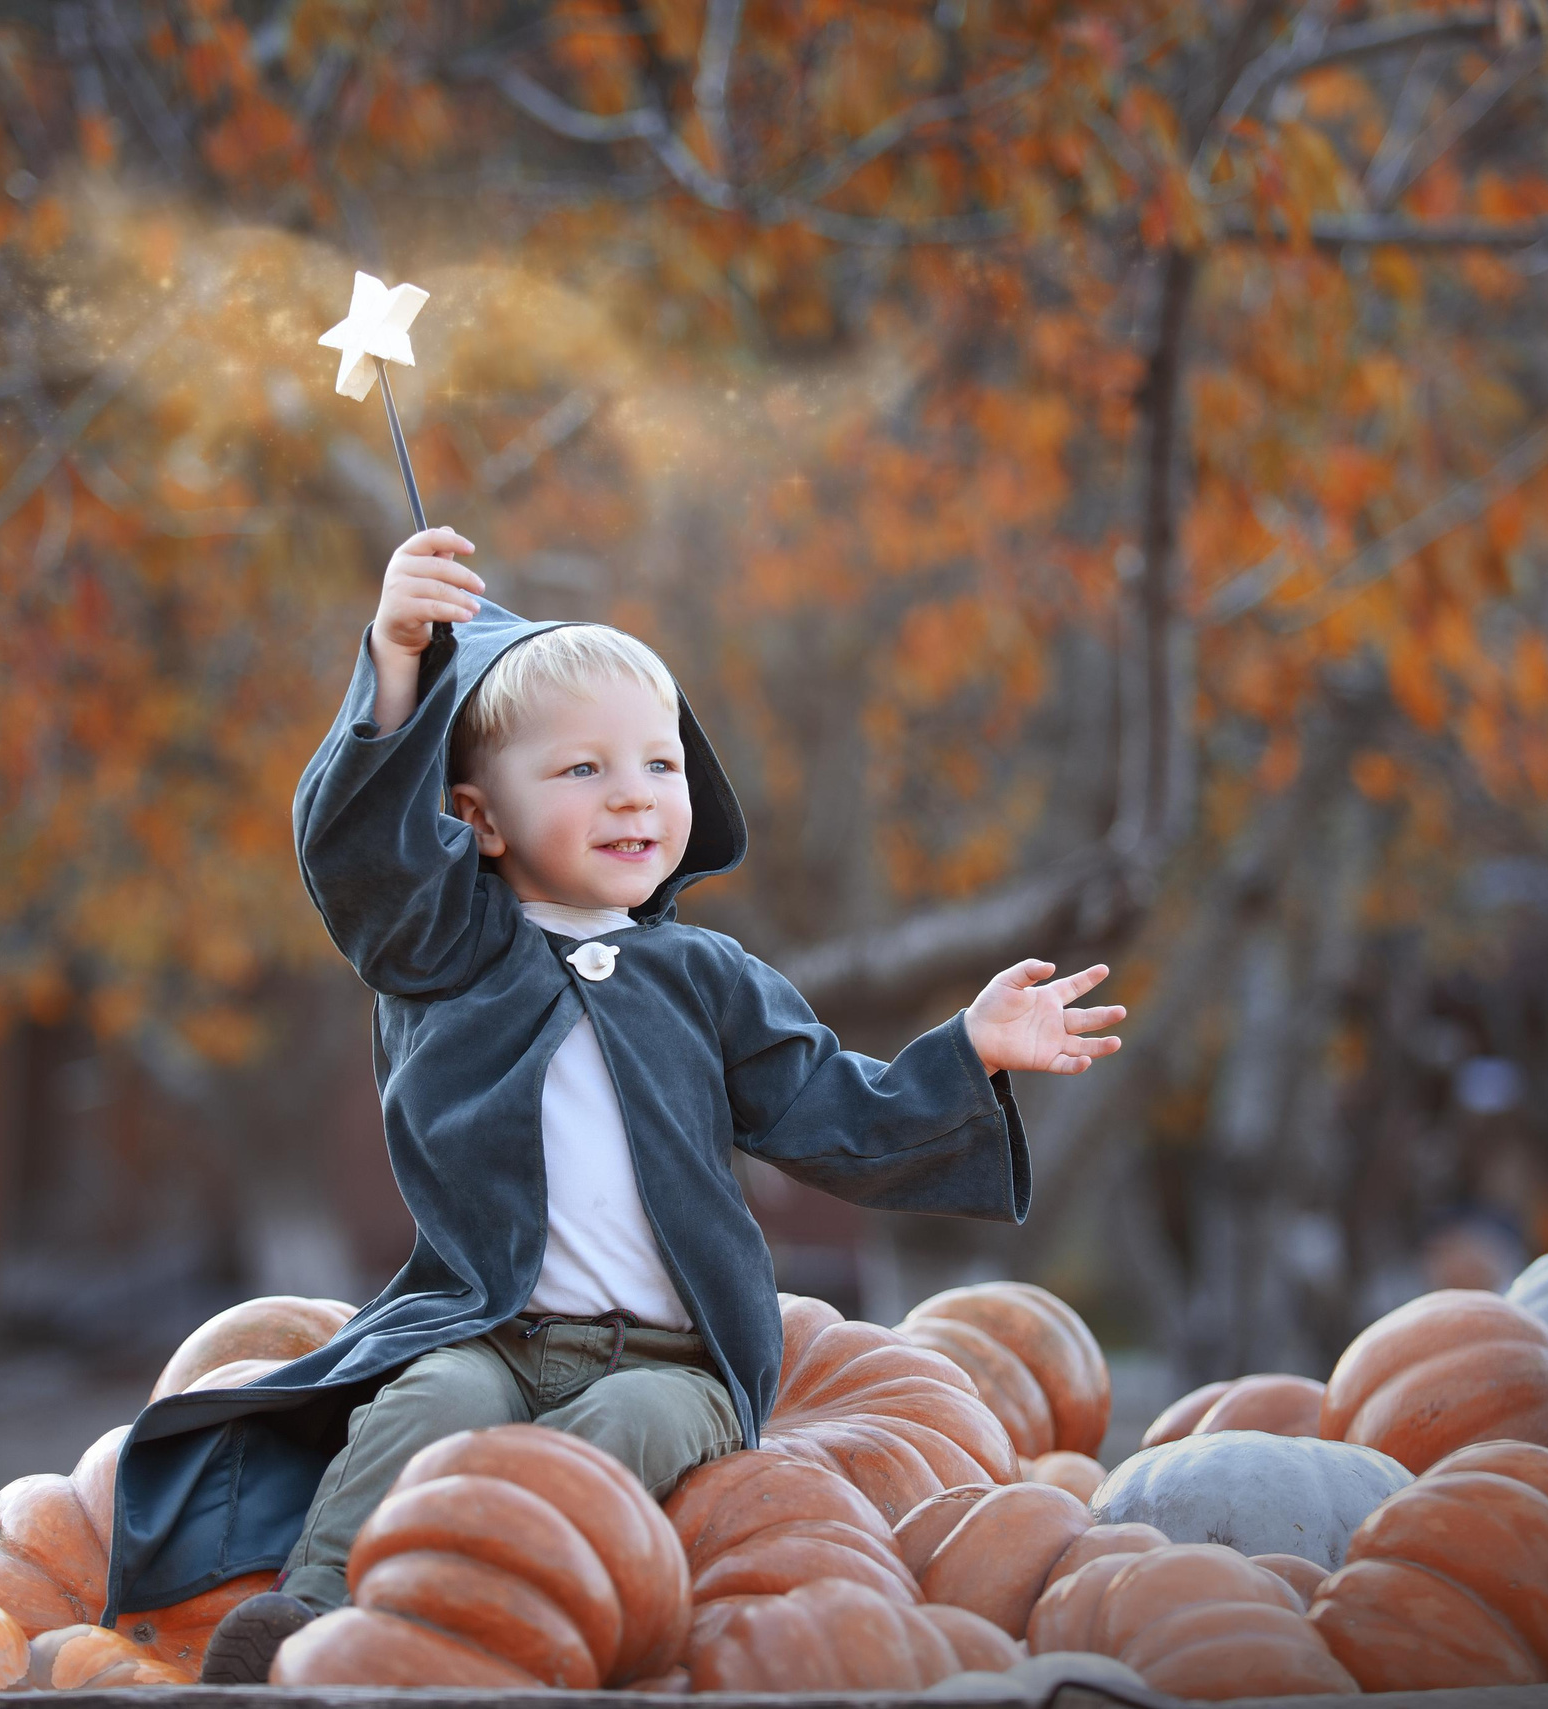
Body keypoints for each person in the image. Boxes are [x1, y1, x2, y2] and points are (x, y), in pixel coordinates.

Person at [113, 526, 1126, 1681]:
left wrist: (969, 1053)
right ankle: (310, 1618)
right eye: (580, 769)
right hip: (491, 1331)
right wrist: (396, 663)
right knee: (422, 1404)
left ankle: (513, 1633)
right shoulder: (445, 953)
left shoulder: (708, 979)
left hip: (672, 1361)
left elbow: (828, 1107)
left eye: (658, 763)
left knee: (609, 1442)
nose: (632, 794)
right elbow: (370, 865)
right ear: (479, 818)